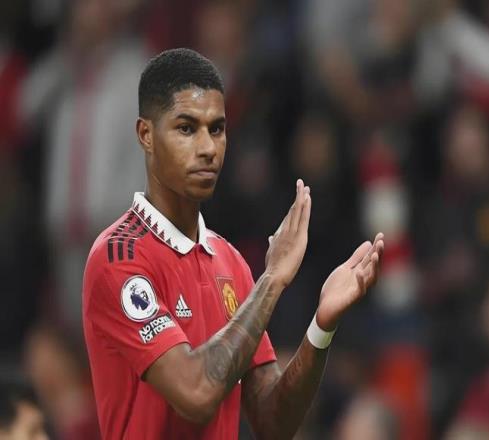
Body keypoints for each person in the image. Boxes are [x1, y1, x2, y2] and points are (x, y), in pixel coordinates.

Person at [82, 48, 384, 439]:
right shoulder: (118, 258)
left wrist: (321, 327)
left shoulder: (230, 262)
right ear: (146, 135)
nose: (208, 148)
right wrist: (271, 280)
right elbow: (195, 393)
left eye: (217, 129)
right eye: (186, 128)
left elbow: (272, 423)